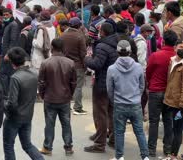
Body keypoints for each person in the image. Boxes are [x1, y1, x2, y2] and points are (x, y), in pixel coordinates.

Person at [107, 40, 149, 160]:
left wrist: (114, 100)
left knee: (119, 132)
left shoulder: (112, 69)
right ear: (130, 52)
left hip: (119, 104)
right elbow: (142, 86)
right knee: (139, 132)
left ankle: (119, 156)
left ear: (117, 52)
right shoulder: (138, 67)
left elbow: (110, 89)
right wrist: (136, 97)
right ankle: (145, 156)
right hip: (135, 104)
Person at [3, 47, 45, 160]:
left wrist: (3, 104)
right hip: (27, 116)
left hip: (14, 118)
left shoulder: (15, 78)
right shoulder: (33, 75)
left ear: (12, 62)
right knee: (27, 145)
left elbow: (12, 103)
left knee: (8, 146)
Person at [38, 38, 76, 156]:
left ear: (52, 48)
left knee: (49, 124)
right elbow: (73, 82)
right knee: (66, 123)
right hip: (65, 98)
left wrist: (43, 95)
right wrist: (70, 94)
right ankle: (68, 147)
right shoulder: (70, 63)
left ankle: (47, 147)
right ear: (63, 48)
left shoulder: (45, 63)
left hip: (50, 98)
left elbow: (41, 82)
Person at [84, 22, 118, 153]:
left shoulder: (102, 46)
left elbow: (97, 64)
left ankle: (99, 144)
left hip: (102, 84)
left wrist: (86, 59)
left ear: (103, 32)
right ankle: (113, 139)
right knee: (110, 112)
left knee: (101, 114)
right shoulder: (114, 43)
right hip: (112, 83)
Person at [146, 30, 178, 157]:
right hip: (170, 93)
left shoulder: (155, 55)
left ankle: (151, 149)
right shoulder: (176, 58)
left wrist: (150, 84)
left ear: (163, 41)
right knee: (168, 121)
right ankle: (167, 148)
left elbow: (148, 72)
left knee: (153, 121)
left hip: (155, 91)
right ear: (175, 43)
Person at [59, 17, 87, 115]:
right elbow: (83, 53)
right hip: (77, 65)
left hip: (65, 65)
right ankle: (77, 107)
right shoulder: (80, 36)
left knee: (66, 86)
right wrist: (85, 66)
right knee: (78, 87)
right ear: (79, 25)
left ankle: (67, 106)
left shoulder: (62, 36)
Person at [0, 8, 20, 95]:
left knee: (4, 73)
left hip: (8, 54)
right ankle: (6, 93)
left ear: (11, 14)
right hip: (5, 52)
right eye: (4, 15)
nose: (5, 16)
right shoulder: (6, 24)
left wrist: (8, 54)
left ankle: (6, 93)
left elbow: (13, 41)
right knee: (5, 73)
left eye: (7, 15)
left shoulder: (13, 25)